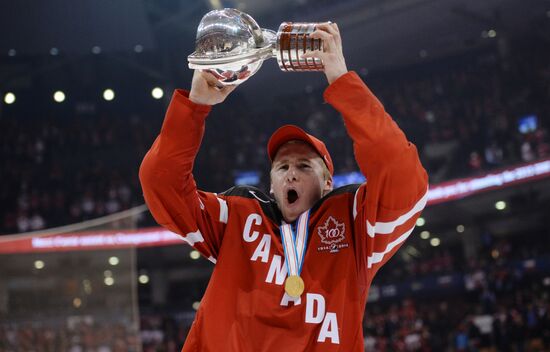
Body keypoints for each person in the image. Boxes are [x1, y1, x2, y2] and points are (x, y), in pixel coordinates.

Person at [139, 23, 428, 351]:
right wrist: (194, 106)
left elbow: (402, 174)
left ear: (328, 182)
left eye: (304, 166)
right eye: (282, 167)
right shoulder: (238, 215)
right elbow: (160, 183)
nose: (291, 174)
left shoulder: (355, 226)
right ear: (272, 185)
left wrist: (342, 80)